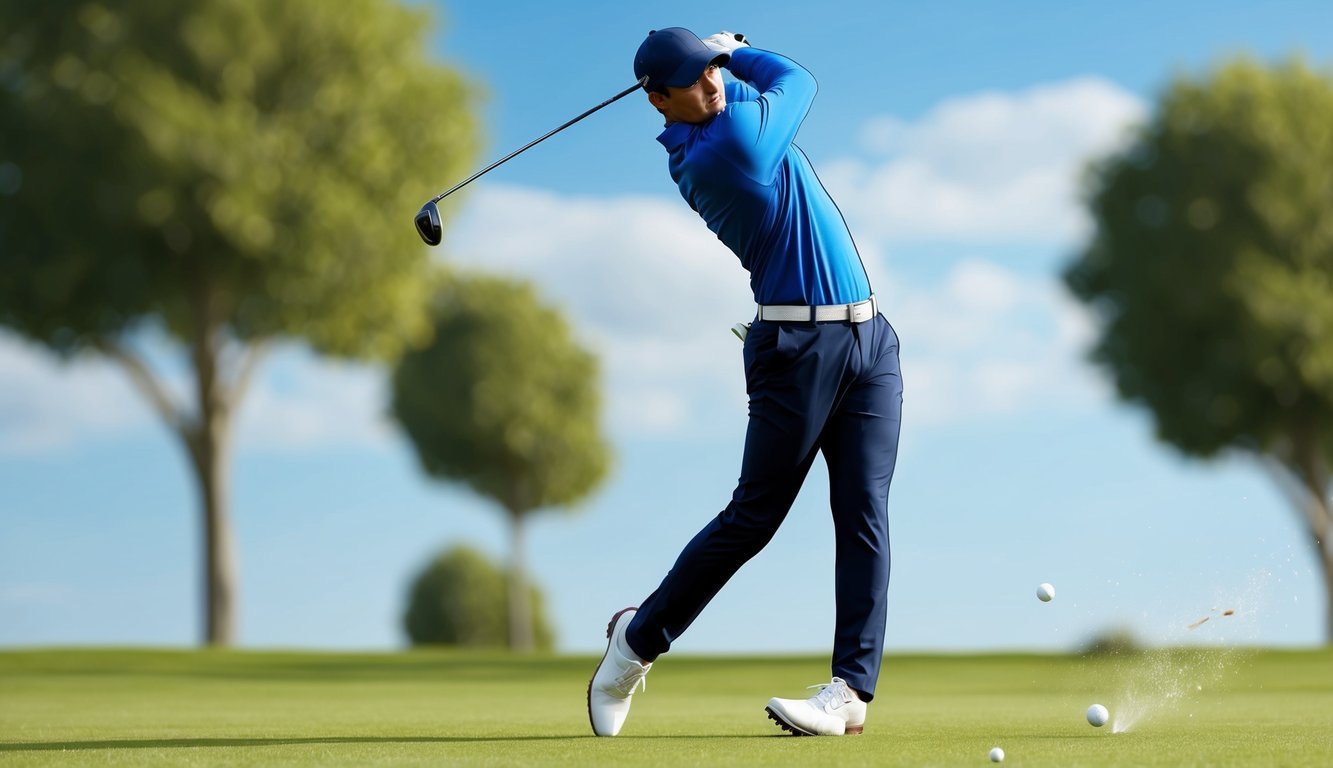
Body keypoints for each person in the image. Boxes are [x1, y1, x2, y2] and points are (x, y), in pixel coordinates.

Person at [587, 27, 904, 738]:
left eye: (710, 72)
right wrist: (731, 50)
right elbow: (798, 80)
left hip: (870, 339)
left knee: (864, 514)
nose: (710, 84)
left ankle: (850, 691)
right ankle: (634, 647)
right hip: (796, 349)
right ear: (657, 99)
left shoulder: (723, 119)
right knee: (753, 519)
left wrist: (714, 58)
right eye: (694, 80)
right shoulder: (725, 148)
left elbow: (766, 92)